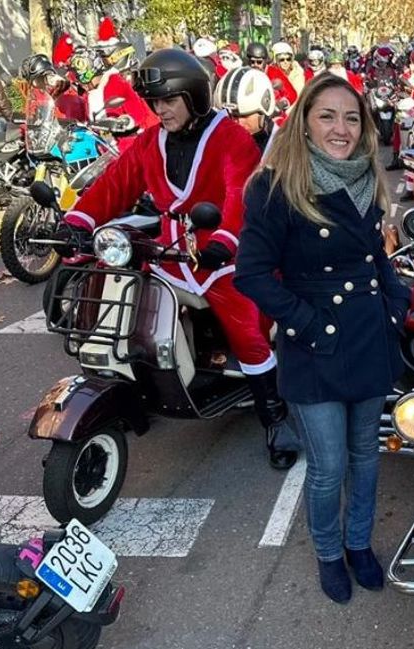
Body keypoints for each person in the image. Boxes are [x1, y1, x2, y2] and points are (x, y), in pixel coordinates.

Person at [55, 49, 300, 470]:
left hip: (224, 257)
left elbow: (240, 194)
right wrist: (77, 220)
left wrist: (223, 240)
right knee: (122, 299)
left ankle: (275, 418)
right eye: (155, 102)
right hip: (169, 254)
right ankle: (135, 385)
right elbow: (117, 182)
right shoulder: (152, 140)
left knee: (246, 329)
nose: (160, 110)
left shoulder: (231, 138)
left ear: (194, 96)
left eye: (168, 100)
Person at [235, 73, 410, 604]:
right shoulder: (276, 185)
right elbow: (251, 274)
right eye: (328, 116)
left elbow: (374, 255)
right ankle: (330, 553)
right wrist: (305, 323)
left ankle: (359, 545)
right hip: (315, 346)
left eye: (352, 117)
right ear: (304, 124)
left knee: (367, 457)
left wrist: (396, 303)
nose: (342, 128)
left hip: (368, 337)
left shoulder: (367, 179)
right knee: (329, 466)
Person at [215, 66, 280, 155]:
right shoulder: (218, 142)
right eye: (232, 116)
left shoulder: (282, 149)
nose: (238, 123)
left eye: (244, 116)